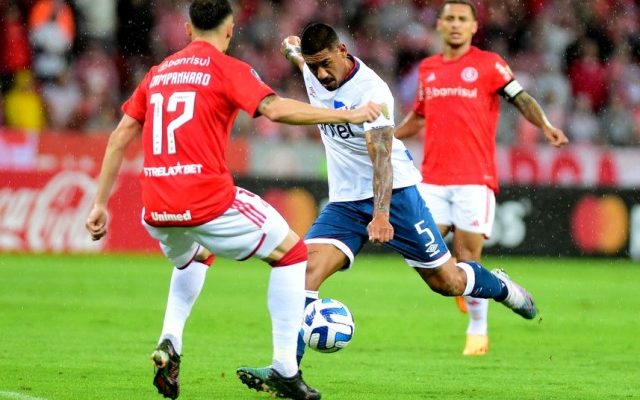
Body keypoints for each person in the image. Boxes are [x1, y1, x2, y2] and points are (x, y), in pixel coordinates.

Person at [84, 1, 382, 399]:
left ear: (187, 30)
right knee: (292, 255)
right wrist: (348, 116)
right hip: (207, 199)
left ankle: (170, 339)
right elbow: (274, 109)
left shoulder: (158, 73)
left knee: (197, 255)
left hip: (156, 206)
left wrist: (99, 203)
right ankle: (285, 370)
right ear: (229, 31)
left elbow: (120, 135)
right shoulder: (227, 69)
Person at [236, 22, 539, 395]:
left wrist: (381, 214)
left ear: (343, 51)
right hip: (346, 201)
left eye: (326, 64)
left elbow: (382, 160)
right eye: (314, 67)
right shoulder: (313, 70)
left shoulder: (372, 91)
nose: (321, 74)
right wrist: (291, 48)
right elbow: (297, 54)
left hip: (396, 194)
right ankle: (287, 373)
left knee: (448, 282)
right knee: (302, 272)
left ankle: (501, 287)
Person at [395, 0, 569, 356]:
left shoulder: (489, 65)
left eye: (463, 19)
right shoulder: (428, 69)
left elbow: (520, 98)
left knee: (467, 259)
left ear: (474, 27)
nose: (456, 24)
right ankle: (485, 285)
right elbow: (419, 117)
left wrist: (546, 125)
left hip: (475, 177)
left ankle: (478, 330)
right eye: (450, 19)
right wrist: (387, 139)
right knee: (416, 244)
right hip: (433, 177)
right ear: (439, 25)